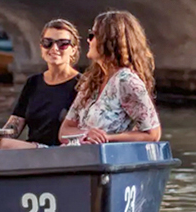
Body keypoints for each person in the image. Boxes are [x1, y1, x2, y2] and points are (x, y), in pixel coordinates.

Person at [60, 10, 163, 145]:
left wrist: (106, 138)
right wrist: (86, 135)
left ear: (109, 41)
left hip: (106, 159)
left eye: (92, 35)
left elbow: (152, 134)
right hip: (81, 156)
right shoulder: (91, 81)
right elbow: (64, 131)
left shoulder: (126, 81)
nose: (88, 40)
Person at [0, 19, 82, 149]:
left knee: (3, 145)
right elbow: (14, 125)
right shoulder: (33, 82)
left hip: (63, 151)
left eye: (63, 44)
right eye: (48, 43)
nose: (54, 48)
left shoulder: (83, 84)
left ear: (73, 50)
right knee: (0, 143)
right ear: (41, 47)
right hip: (33, 150)